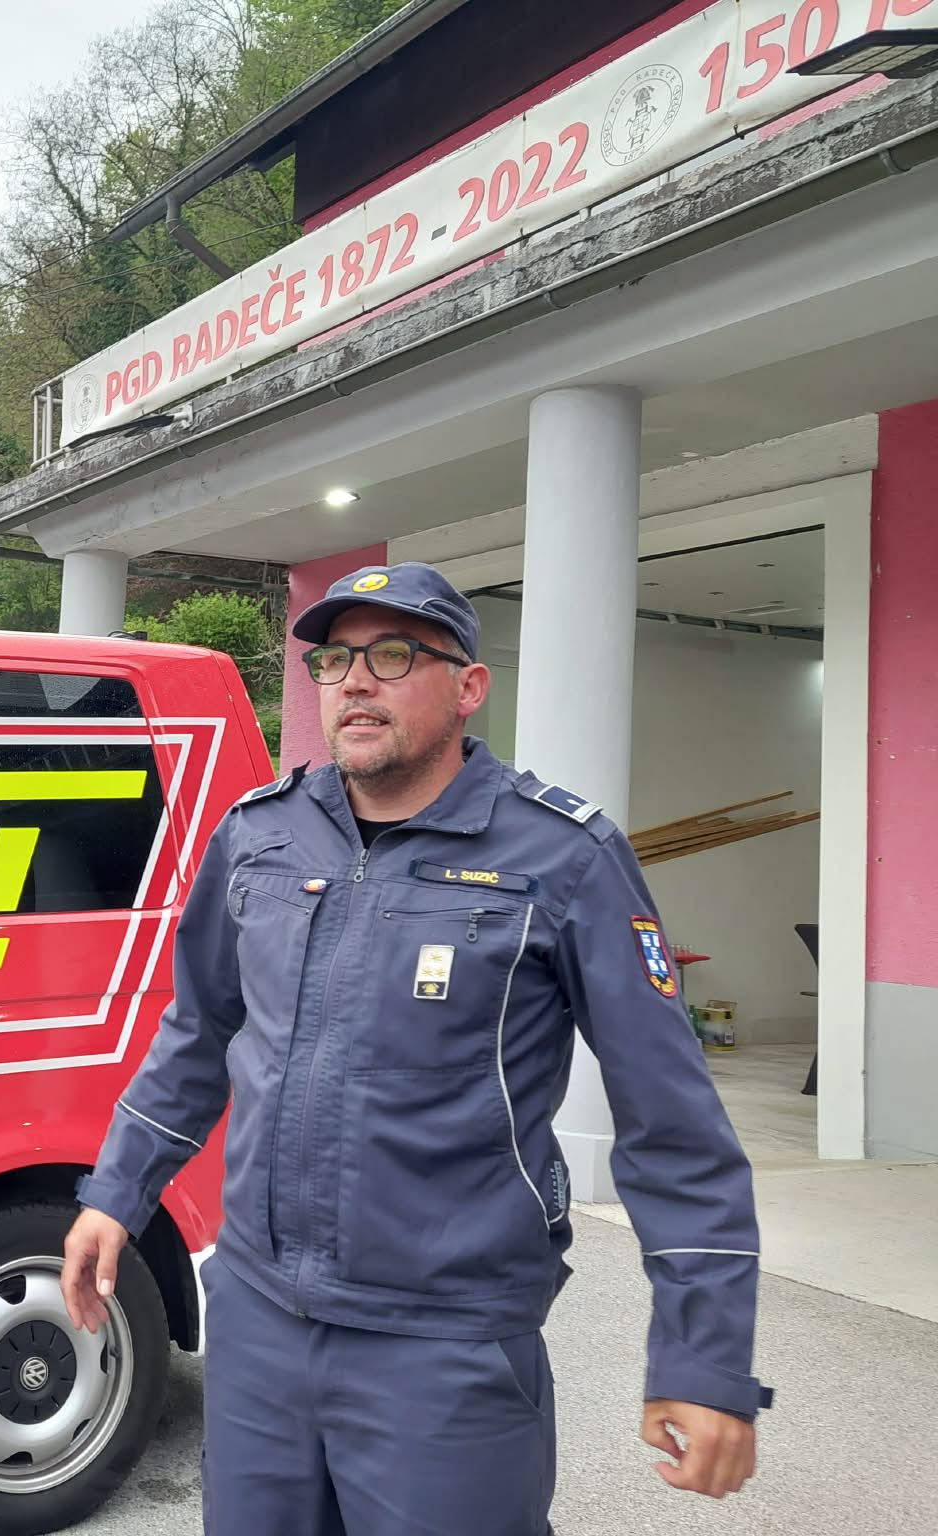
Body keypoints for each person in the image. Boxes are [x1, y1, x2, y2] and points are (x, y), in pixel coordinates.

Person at [59, 562, 770, 1534]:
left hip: (444, 1352)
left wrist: (702, 1358)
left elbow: (671, 1121)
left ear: (466, 686)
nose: (354, 680)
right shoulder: (259, 838)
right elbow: (194, 1034)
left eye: (392, 654)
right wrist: (113, 1194)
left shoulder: (560, 858)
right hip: (259, 1326)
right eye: (334, 658)